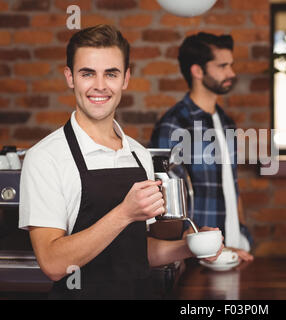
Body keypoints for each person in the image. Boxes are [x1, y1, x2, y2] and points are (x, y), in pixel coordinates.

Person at [18, 25, 222, 299]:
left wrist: (190, 247)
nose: (100, 85)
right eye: (87, 73)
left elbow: (134, 250)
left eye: (111, 74)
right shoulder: (45, 158)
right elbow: (53, 264)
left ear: (125, 79)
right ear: (70, 78)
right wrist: (124, 213)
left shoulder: (138, 154)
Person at [149, 32, 254, 262]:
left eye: (231, 65)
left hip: (236, 249)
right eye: (223, 66)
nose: (232, 73)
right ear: (197, 71)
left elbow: (231, 184)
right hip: (199, 257)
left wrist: (241, 233)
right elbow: (163, 207)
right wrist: (201, 245)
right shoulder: (173, 124)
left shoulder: (226, 121)